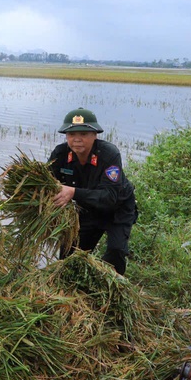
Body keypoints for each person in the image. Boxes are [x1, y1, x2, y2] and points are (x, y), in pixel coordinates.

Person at [48, 108, 137, 275]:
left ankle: (114, 290)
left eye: (83, 134)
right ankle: (70, 291)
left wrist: (73, 192)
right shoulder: (60, 154)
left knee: (116, 251)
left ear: (95, 135)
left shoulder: (109, 155)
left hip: (117, 209)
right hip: (88, 209)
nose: (77, 139)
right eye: (71, 134)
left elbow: (109, 197)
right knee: (70, 255)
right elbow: (47, 184)